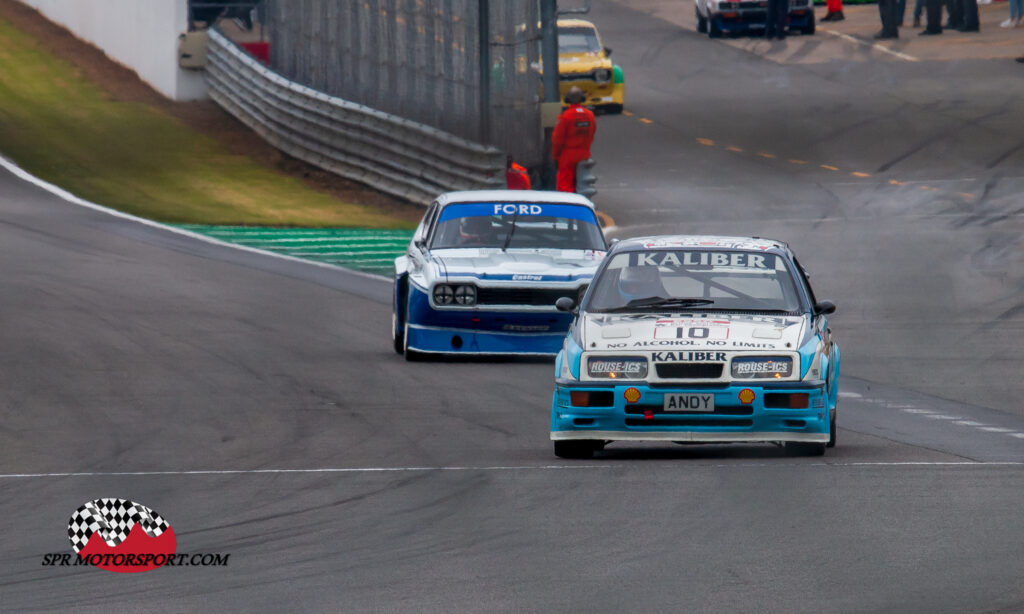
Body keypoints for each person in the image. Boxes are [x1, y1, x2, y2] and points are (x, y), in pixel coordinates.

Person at [552, 87, 596, 193]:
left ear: (568, 100)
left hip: (568, 156)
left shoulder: (566, 116)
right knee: (583, 183)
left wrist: (556, 157)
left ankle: (568, 206)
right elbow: (592, 132)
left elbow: (557, 140)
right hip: (584, 154)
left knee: (565, 185)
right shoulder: (590, 115)